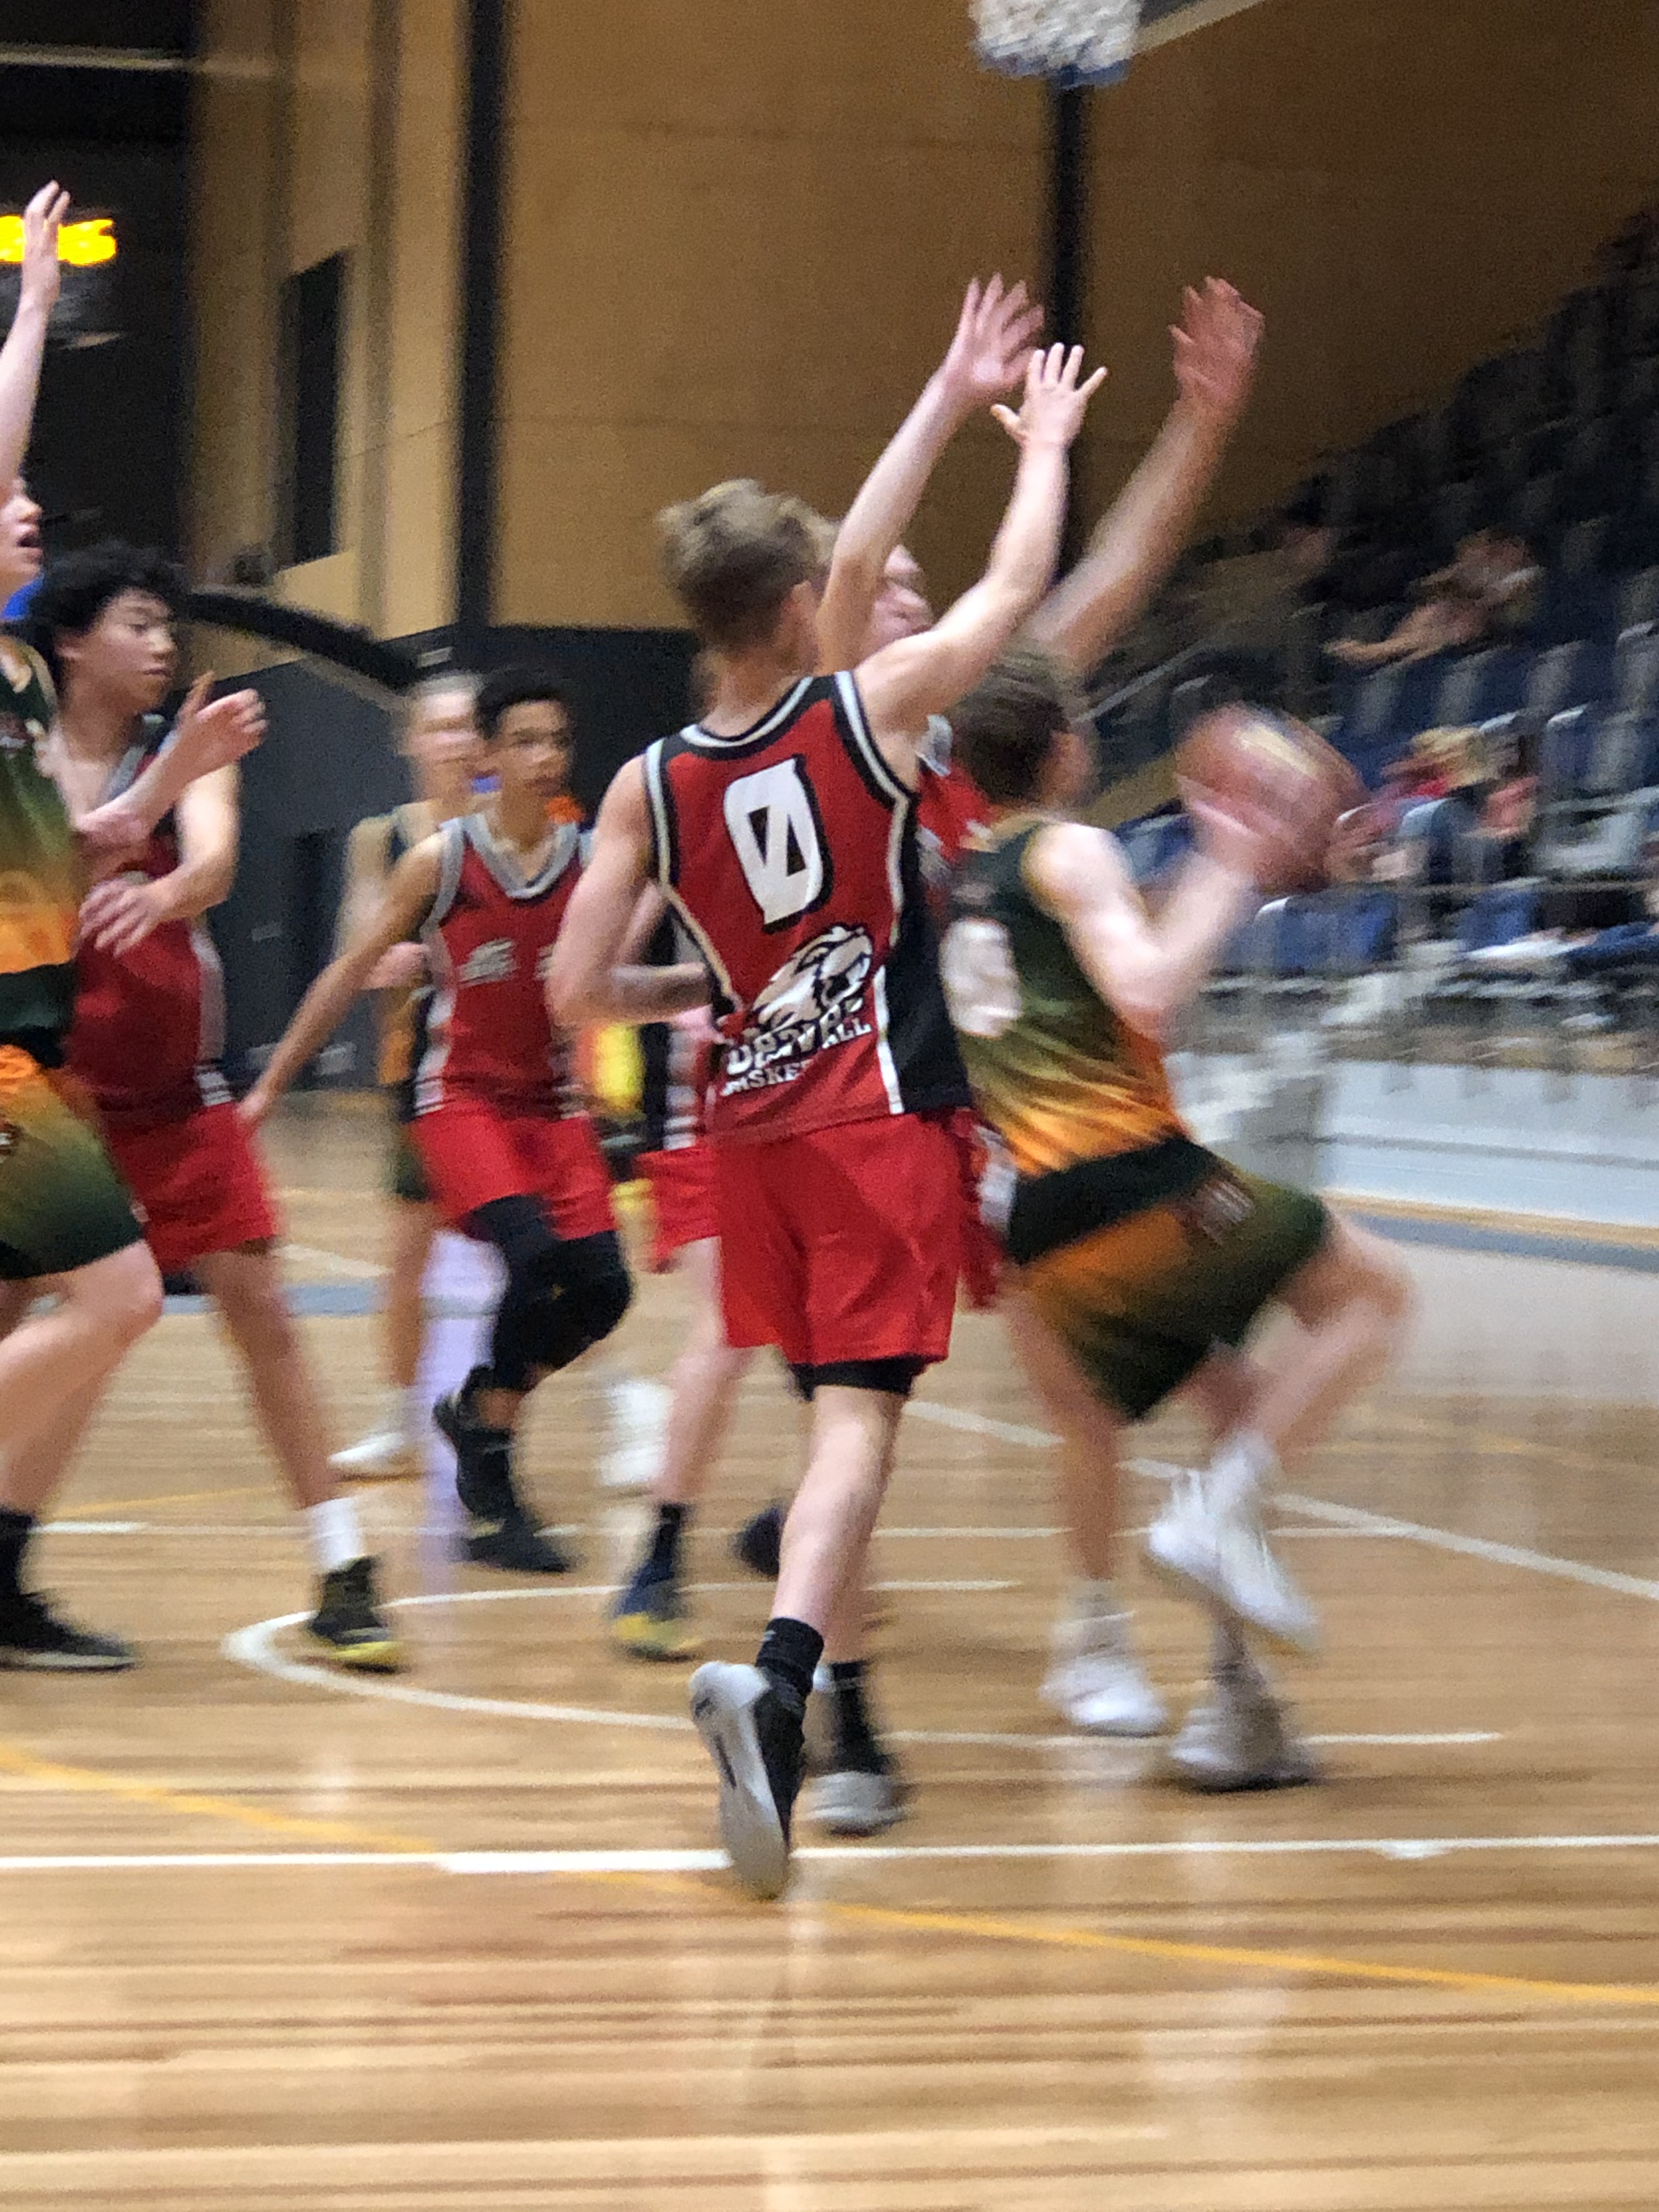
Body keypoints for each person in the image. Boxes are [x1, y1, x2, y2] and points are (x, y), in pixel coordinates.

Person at [550, 337, 1105, 1899]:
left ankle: (839, 1726)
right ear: (804, 604)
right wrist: (1037, 443)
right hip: (879, 1116)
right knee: (860, 1426)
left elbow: (578, 990)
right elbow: (1013, 589)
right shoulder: (872, 719)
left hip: (750, 1130)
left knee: (824, 1424)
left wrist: (713, 985)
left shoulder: (648, 783)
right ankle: (786, 1688)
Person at [940, 648, 1413, 1785]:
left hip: (1029, 1200)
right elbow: (1148, 988)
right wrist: (1228, 858)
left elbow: (1105, 992)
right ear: (1067, 747)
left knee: (1221, 1408)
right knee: (1374, 1293)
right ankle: (1211, 1535)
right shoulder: (1071, 849)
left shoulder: (966, 874)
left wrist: (1249, 869)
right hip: (1126, 1180)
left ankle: (1213, 1698)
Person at [19, 541, 401, 1669]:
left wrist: (171, 891)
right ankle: (5, 1572)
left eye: (166, 624)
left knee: (262, 1313)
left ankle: (343, 1568)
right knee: (44, 1333)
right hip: (53, 1095)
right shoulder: (22, 755)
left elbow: (218, 860)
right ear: (72, 641)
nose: (162, 643)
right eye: (136, 624)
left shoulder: (184, 740)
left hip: (177, 1093)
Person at [0, 185, 266, 1667]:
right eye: (10, 505)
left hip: (31, 1055)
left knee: (100, 1307)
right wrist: (34, 308)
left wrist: (173, 781)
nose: (26, 511)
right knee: (114, 1297)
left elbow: (88, 841)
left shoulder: (23, 698)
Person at [242, 667, 636, 1572]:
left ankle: (475, 1409)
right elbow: (347, 971)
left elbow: (618, 978)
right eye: (525, 741)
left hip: (553, 1106)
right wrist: (271, 1084)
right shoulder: (441, 860)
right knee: (531, 1261)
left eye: (558, 741)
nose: (545, 758)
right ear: (488, 755)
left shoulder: (589, 862)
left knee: (604, 1292)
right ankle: (493, 1480)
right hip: (464, 1102)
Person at [328, 672, 483, 1477]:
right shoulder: (381, 837)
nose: (455, 741)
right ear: (412, 739)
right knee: (408, 1258)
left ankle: (625, 1398)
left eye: (467, 726)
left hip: (504, 1071)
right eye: (440, 727)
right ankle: (403, 1424)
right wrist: (381, 953)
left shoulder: (513, 827)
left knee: (550, 1253)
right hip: (419, 1072)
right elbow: (358, 947)